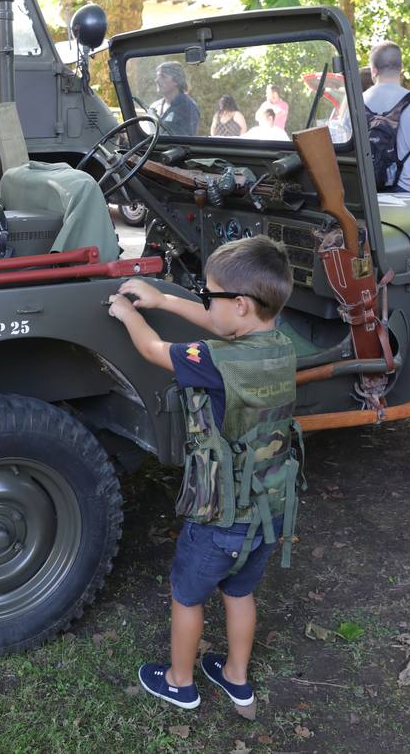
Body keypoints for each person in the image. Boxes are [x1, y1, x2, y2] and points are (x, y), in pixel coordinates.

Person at [107, 236, 298, 712]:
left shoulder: (214, 362)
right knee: (240, 592)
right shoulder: (281, 345)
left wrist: (130, 313)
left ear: (239, 305)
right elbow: (221, 323)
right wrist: (166, 299)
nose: (204, 302)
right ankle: (236, 676)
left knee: (187, 597)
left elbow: (154, 349)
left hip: (220, 516)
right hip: (269, 511)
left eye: (208, 295)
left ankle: (180, 682)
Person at [363, 42, 410, 193]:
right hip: (405, 194)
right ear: (401, 67)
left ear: (374, 70)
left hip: (367, 195)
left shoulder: (356, 101)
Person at [151, 62, 201, 135]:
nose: (157, 80)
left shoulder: (188, 107)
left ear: (177, 81)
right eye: (157, 76)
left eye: (163, 76)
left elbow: (186, 141)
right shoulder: (155, 106)